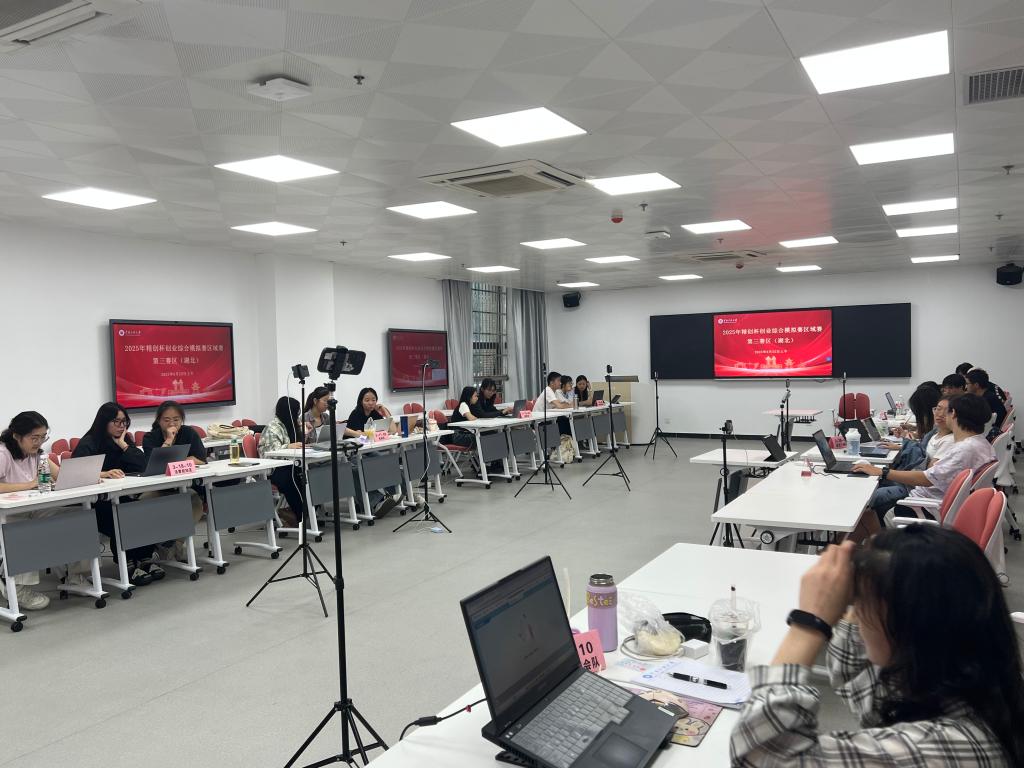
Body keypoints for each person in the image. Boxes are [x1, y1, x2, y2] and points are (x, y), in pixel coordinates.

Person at [730, 527, 1024, 766]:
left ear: (909, 624)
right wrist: (860, 586)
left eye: (862, 605)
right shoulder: (962, 682)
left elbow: (761, 754)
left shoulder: (944, 748)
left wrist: (809, 622)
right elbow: (856, 681)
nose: (856, 614)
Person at [855, 393, 995, 521]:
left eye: (946, 411)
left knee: (864, 513)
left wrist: (882, 471)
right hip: (935, 502)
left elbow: (927, 478)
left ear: (953, 414)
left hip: (926, 507)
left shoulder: (964, 449)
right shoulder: (982, 444)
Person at [71, 403, 154, 586]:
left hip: (120, 496)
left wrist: (124, 445)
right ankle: (129, 563)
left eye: (124, 422)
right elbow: (76, 473)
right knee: (122, 516)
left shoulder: (124, 440)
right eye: (116, 421)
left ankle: (145, 559)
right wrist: (103, 474)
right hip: (95, 503)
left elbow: (143, 466)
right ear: (104, 422)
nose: (121, 426)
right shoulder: (89, 442)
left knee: (141, 511)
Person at [0, 412, 61, 609]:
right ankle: (17, 588)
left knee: (68, 520)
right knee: (27, 530)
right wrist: (29, 485)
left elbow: (61, 475)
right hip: (6, 514)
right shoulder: (3, 454)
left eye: (43, 437)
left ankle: (74, 575)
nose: (39, 442)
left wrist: (100, 474)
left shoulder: (37, 453)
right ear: (17, 436)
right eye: (34, 438)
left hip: (29, 508)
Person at [141, 400, 207, 563]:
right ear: (159, 421)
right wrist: (169, 440)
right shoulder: (150, 437)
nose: (172, 424)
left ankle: (174, 544)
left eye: (176, 420)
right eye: (167, 420)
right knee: (141, 504)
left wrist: (182, 460)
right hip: (158, 488)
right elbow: (155, 464)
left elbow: (201, 459)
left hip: (183, 487)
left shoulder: (189, 433)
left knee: (195, 502)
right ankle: (150, 548)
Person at [342, 388, 400, 517]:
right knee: (362, 468)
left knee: (385, 462)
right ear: (361, 401)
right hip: (353, 453)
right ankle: (376, 502)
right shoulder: (356, 414)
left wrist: (384, 411)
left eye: (373, 400)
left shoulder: (374, 414)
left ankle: (397, 495)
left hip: (368, 451)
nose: (371, 403)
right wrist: (368, 434)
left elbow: (393, 430)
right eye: (367, 400)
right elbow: (361, 436)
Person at [257, 396, 308, 527]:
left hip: (290, 465)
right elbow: (270, 453)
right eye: (296, 412)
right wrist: (288, 446)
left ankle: (305, 513)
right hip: (273, 470)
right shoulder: (273, 428)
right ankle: (302, 514)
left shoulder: (291, 425)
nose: (297, 416)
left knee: (311, 473)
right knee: (291, 477)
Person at [965, 368, 1006, 435]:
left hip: (989, 432)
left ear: (976, 385)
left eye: (967, 384)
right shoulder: (988, 395)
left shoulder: (986, 400)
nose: (966, 387)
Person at [926, 398, 955, 463]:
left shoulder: (950, 440)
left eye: (947, 411)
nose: (941, 414)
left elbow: (931, 468)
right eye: (938, 409)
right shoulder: (935, 434)